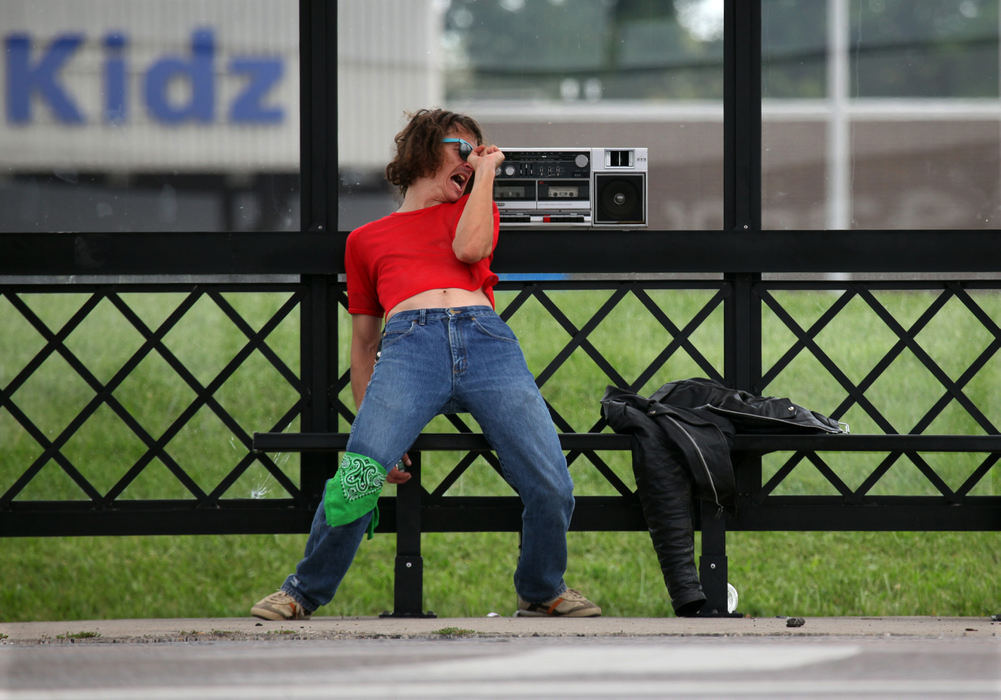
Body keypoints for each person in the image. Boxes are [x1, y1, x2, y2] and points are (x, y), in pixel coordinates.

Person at [251, 108, 601, 620]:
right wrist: (369, 418)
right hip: (410, 346)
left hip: (485, 343)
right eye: (465, 149)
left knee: (551, 480)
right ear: (424, 150)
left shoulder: (477, 209)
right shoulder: (366, 240)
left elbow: (470, 247)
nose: (474, 160)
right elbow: (364, 341)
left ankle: (542, 588)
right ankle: (303, 591)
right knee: (362, 471)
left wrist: (484, 176)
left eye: (480, 153)